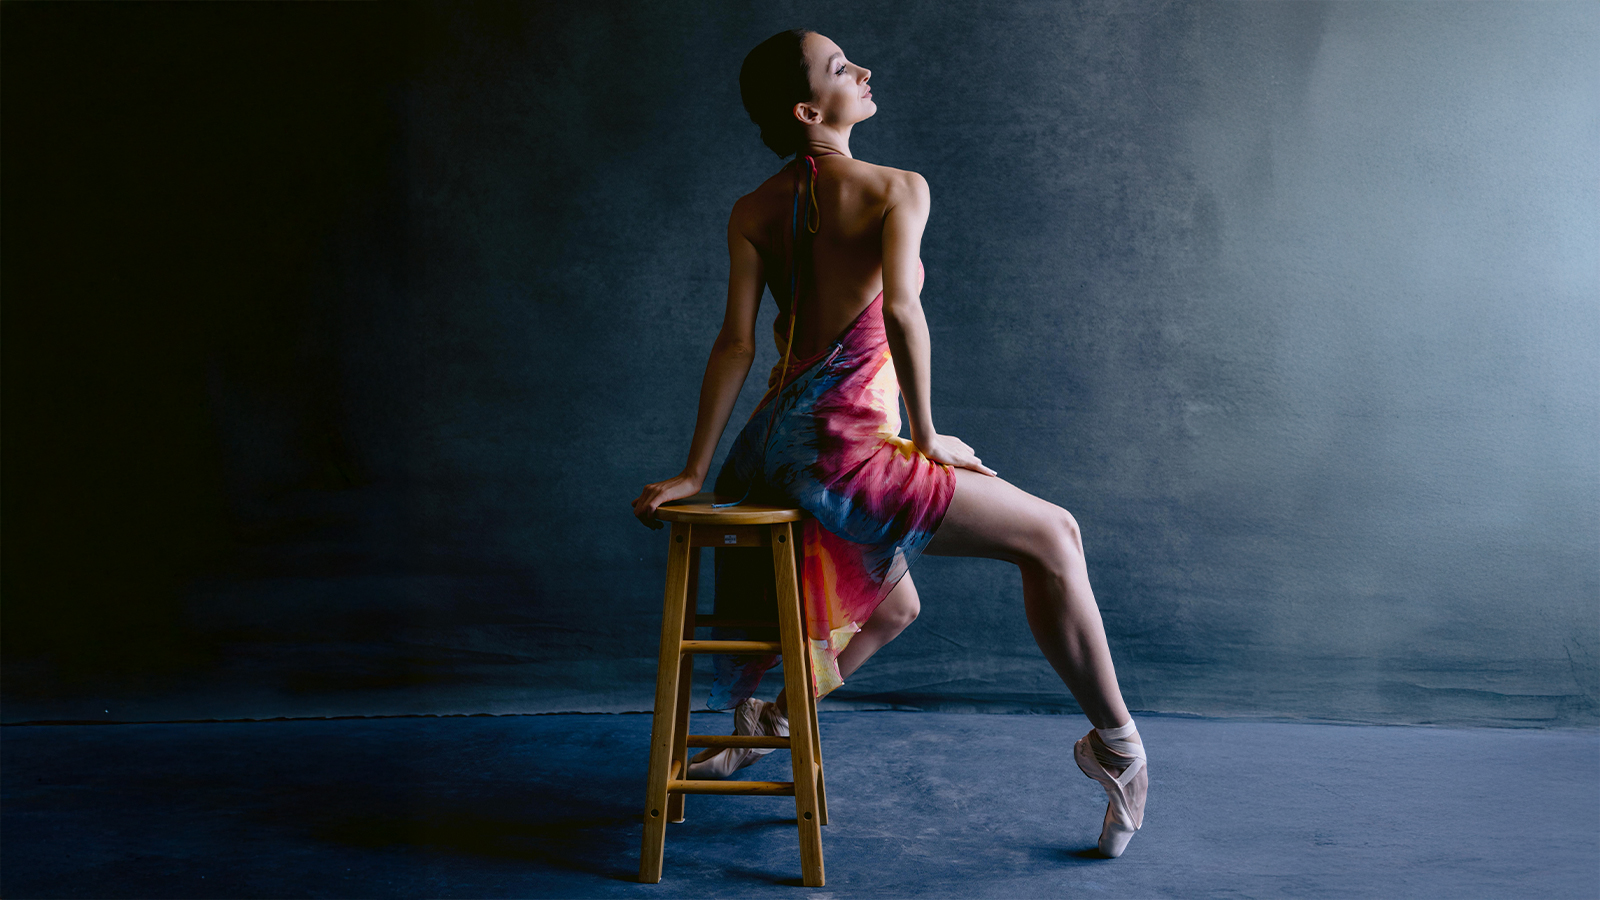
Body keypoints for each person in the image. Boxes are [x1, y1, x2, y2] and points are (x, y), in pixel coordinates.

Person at [630, 28, 1148, 858]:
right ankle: (1119, 749)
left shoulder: (752, 209)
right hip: (844, 455)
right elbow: (902, 311)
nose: (863, 71)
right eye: (841, 68)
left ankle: (770, 720)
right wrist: (930, 436)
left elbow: (735, 344)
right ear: (808, 111)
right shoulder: (898, 188)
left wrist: (698, 469)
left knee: (897, 606)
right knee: (1056, 535)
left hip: (776, 454)